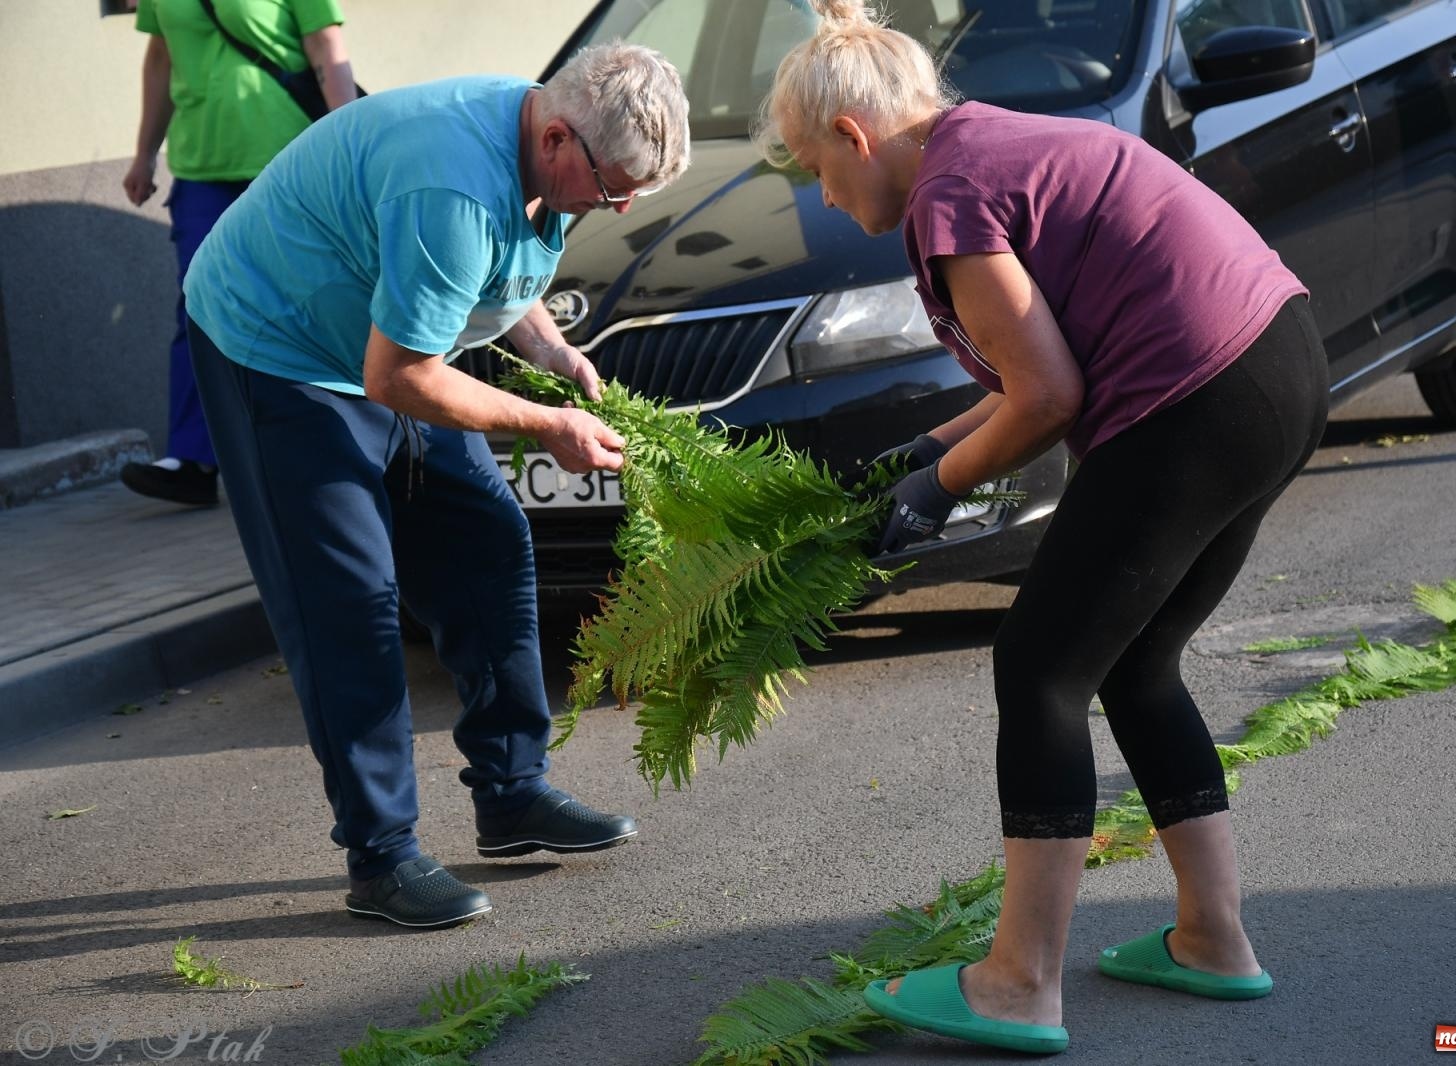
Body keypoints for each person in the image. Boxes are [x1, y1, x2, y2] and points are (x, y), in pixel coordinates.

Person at [759, 1, 1328, 1054]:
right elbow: (1039, 358)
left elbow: (1047, 394)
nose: (826, 197)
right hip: (1276, 361)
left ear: (854, 136)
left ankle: (1018, 981)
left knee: (1038, 667)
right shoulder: (990, 145)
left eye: (816, 170)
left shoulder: (948, 193)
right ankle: (1211, 937)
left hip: (1196, 391)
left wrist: (933, 494)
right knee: (1138, 657)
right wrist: (929, 450)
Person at [181, 45, 691, 928]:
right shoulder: (448, 183)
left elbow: (495, 259)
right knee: (350, 602)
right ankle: (381, 859)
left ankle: (512, 793)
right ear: (559, 136)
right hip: (281, 352)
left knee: (488, 549)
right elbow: (401, 375)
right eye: (614, 191)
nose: (620, 207)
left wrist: (553, 351)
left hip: (387, 347)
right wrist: (546, 425)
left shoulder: (537, 137)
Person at [121, 0, 359, 506]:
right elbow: (161, 57)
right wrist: (144, 153)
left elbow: (326, 46)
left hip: (287, 164)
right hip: (202, 171)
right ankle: (192, 458)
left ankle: (328, 443)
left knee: (306, 304)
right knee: (200, 311)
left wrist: (347, 143)